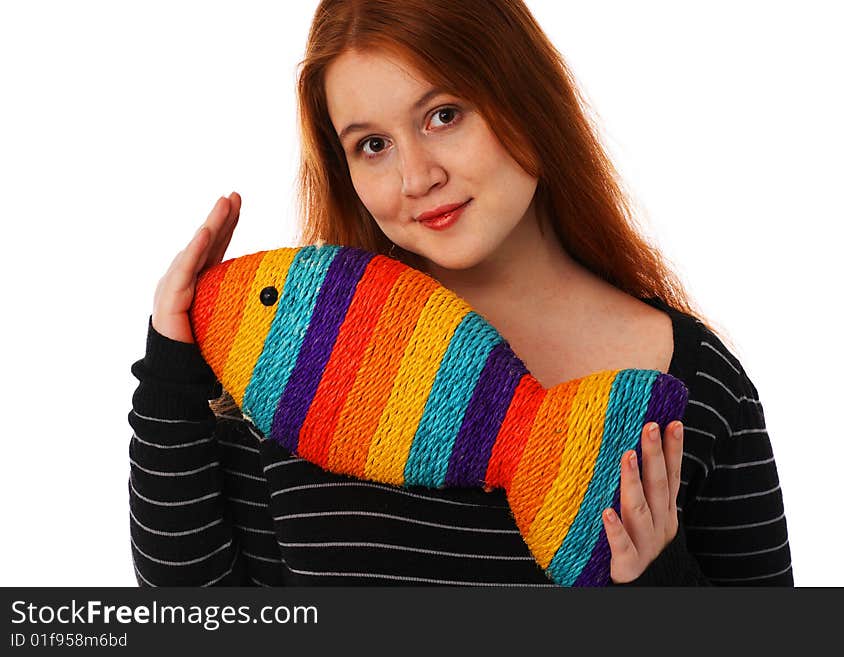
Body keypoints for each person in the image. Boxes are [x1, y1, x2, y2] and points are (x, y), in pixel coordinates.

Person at [128, 0, 793, 586]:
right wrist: (171, 369)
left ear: (526, 100)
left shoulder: (700, 386)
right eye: (373, 144)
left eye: (444, 115)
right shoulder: (298, 359)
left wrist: (657, 586)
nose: (416, 176)